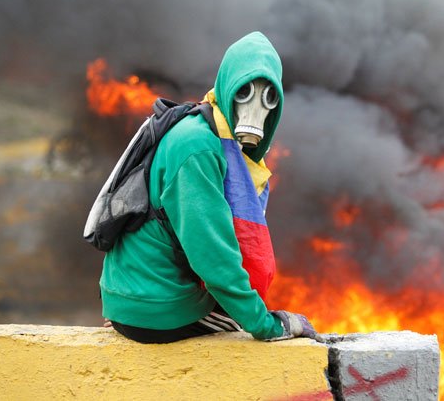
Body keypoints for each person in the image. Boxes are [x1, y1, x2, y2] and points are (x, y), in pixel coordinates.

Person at [100, 31, 318, 344]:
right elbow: (213, 257)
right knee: (239, 325)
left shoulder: (203, 128)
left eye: (268, 97)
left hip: (136, 297)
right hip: (153, 307)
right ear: (229, 88)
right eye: (245, 93)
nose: (256, 108)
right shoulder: (198, 147)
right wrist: (268, 326)